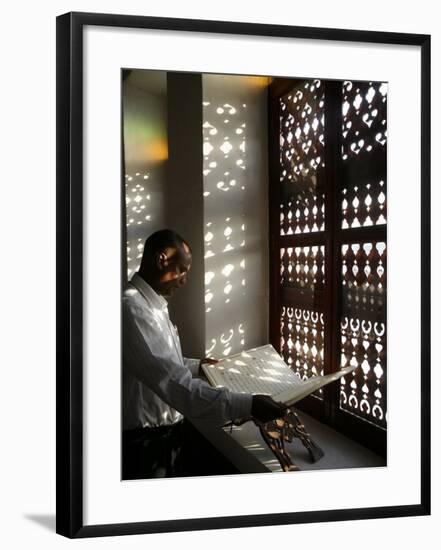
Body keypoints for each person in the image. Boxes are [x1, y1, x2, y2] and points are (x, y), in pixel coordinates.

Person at [122, 229, 286, 479]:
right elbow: (172, 382)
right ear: (162, 259)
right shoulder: (133, 310)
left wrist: (199, 366)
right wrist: (248, 404)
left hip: (165, 436)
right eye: (183, 270)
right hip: (146, 444)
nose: (184, 280)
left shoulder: (150, 306)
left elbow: (162, 363)